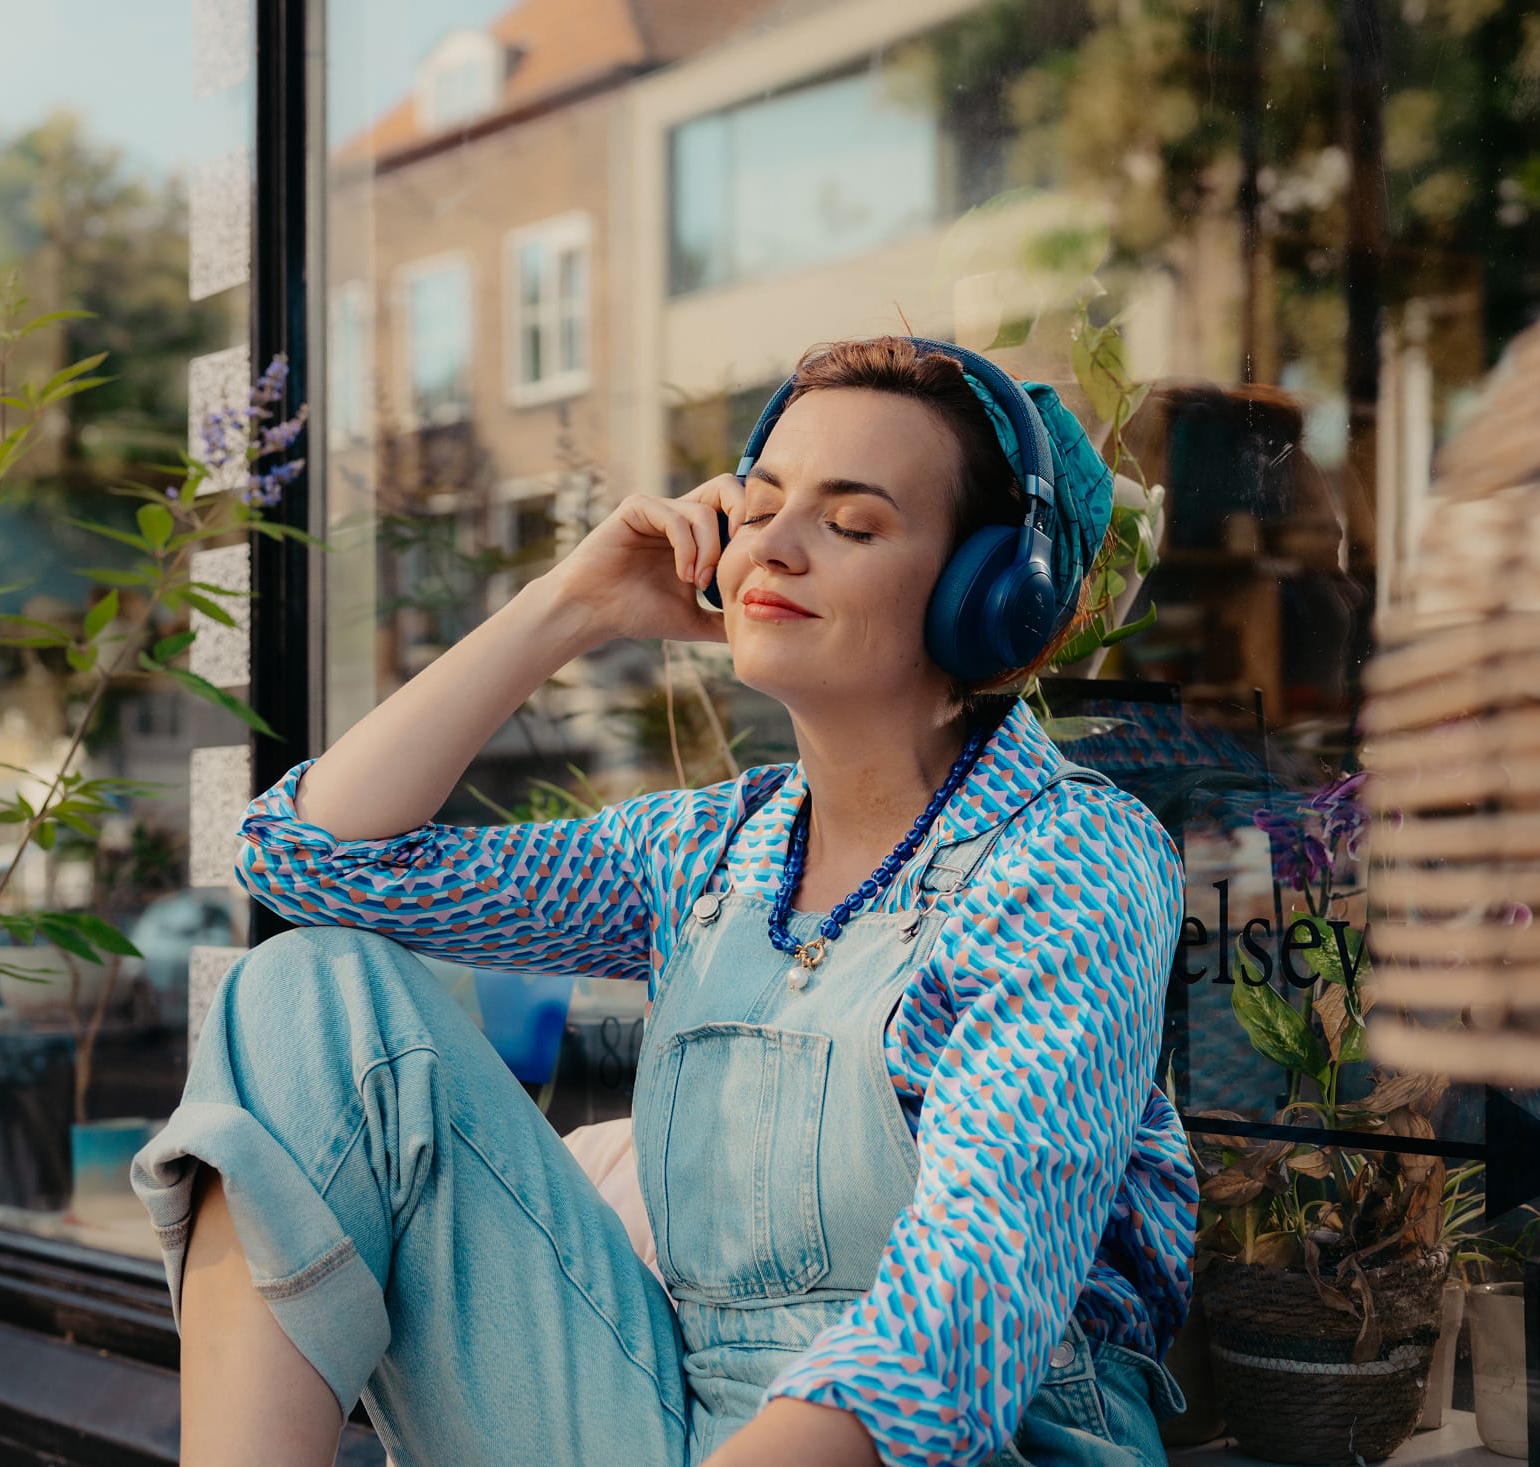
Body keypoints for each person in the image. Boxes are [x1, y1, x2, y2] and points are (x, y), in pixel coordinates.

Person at [131, 336, 1195, 1467]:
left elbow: (960, 1330)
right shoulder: (710, 850)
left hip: (952, 1447)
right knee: (303, 994)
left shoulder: (1072, 857)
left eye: (850, 523)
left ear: (990, 601)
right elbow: (303, 859)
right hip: (675, 1417)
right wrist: (570, 605)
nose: (771, 548)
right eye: (759, 506)